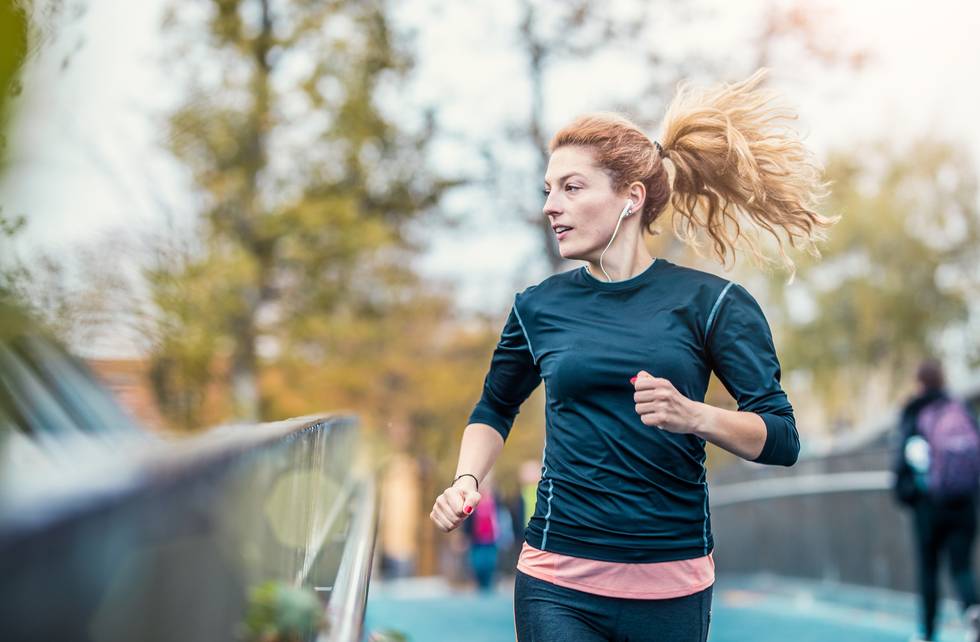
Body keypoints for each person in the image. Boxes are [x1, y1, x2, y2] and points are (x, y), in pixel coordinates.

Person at [429, 68, 836, 642]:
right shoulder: (537, 307)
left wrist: (696, 416)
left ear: (631, 199)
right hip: (556, 580)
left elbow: (782, 437)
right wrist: (467, 479)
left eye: (571, 188)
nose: (551, 205)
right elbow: (493, 409)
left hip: (671, 587)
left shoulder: (712, 304)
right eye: (548, 189)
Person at [893, 358, 980, 642]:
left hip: (928, 506)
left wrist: (906, 494)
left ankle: (928, 633)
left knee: (929, 569)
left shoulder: (914, 411)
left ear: (919, 383)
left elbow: (902, 464)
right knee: (962, 566)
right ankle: (973, 611)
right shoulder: (958, 407)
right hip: (963, 501)